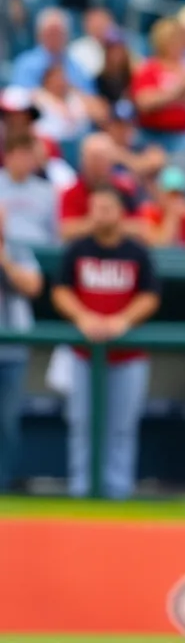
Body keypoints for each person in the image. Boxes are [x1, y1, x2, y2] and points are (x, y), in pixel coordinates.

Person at [52, 185, 161, 499]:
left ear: (121, 213)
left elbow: (151, 295)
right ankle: (81, 489)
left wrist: (122, 320)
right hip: (84, 353)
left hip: (127, 355)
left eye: (106, 208)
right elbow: (60, 290)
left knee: (121, 427)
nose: (100, 214)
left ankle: (118, 491)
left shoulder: (136, 251)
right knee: (82, 423)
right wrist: (83, 317)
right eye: (95, 207)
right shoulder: (77, 248)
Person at [0, 207, 44, 492]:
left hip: (11, 352)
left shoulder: (17, 250)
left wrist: (5, 262)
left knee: (6, 424)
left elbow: (33, 286)